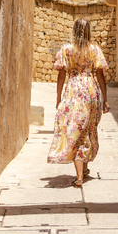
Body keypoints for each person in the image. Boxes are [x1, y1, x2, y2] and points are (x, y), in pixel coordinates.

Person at [47, 18, 109, 188]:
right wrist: (105, 99)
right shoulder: (95, 50)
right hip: (91, 91)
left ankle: (80, 177)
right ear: (89, 31)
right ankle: (84, 170)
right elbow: (100, 76)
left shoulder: (66, 50)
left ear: (74, 30)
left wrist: (59, 97)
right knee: (88, 128)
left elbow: (61, 75)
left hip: (74, 91)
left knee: (76, 129)